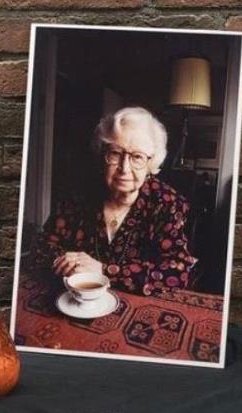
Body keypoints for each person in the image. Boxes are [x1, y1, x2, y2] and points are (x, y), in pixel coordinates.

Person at [32, 106, 196, 296]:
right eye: (116, 154)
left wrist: (103, 270)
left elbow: (178, 272)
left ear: (151, 164)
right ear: (103, 156)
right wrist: (65, 261)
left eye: (137, 157)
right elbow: (40, 248)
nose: (124, 168)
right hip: (78, 301)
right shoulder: (76, 195)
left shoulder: (167, 203)